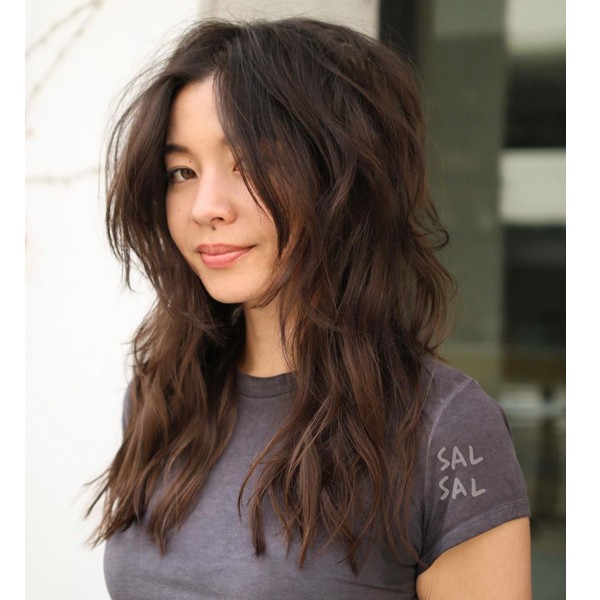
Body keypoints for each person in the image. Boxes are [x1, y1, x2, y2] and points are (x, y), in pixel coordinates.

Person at [87, 17, 532, 599]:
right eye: (182, 171)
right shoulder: (165, 396)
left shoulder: (442, 427)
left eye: (247, 163)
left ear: (340, 174)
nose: (205, 206)